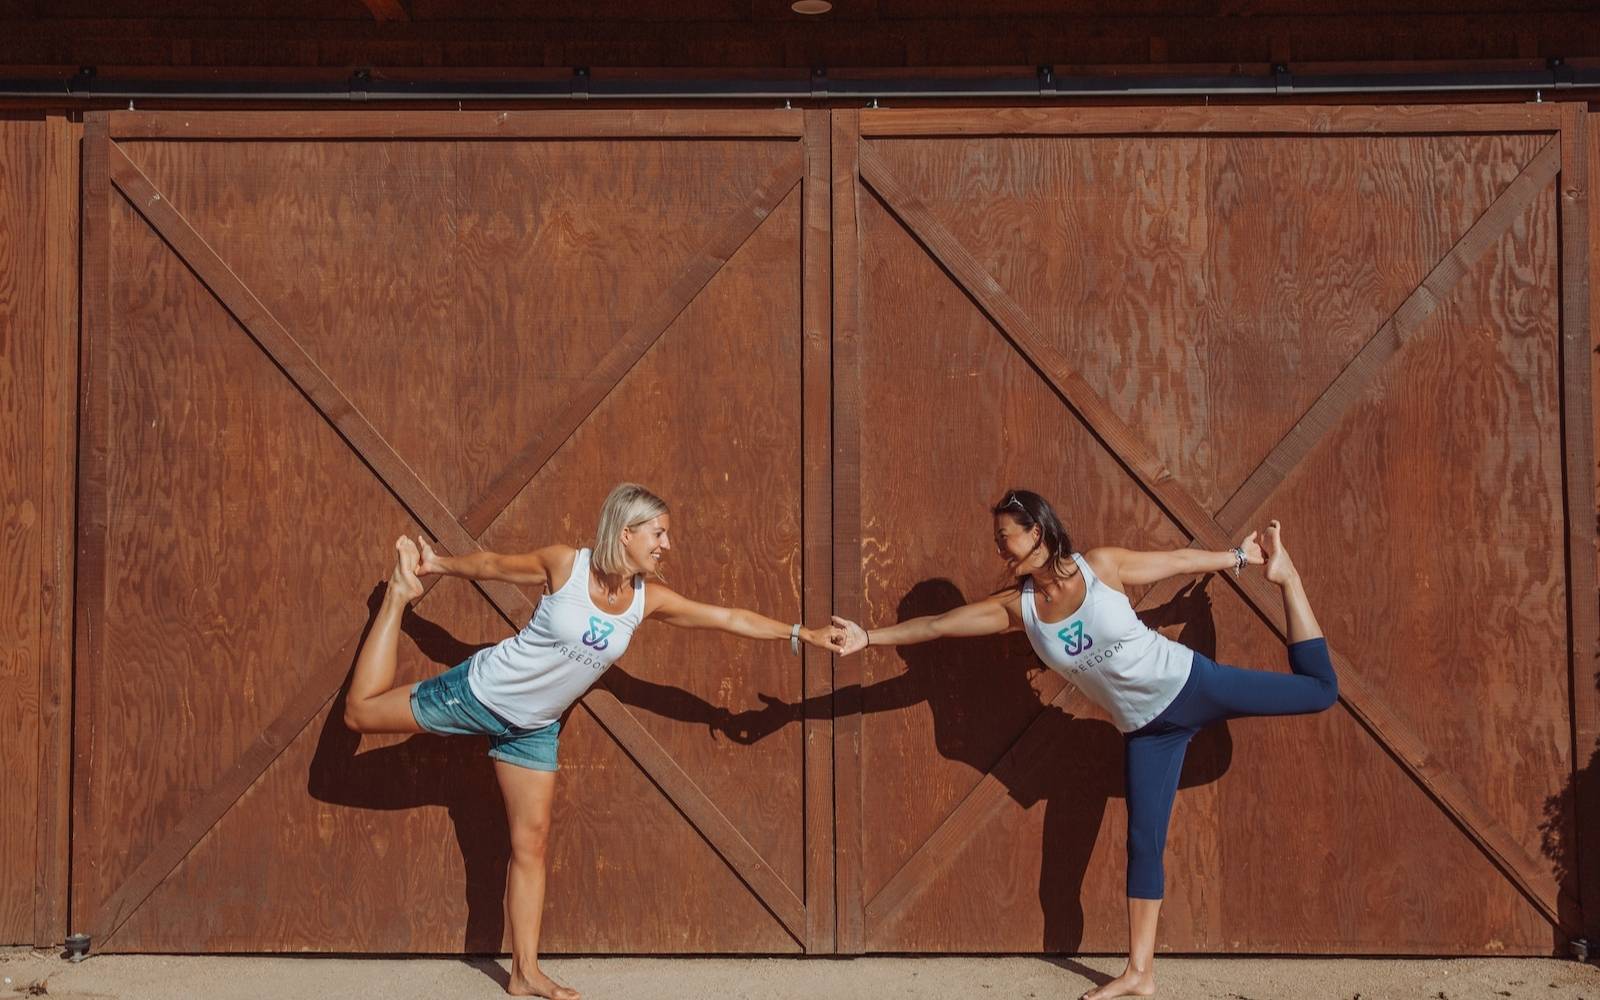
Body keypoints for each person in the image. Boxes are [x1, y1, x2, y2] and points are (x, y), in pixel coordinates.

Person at [342, 482, 844, 1000]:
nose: (666, 544)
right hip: (480, 693)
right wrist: (436, 566)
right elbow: (493, 565)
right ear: (625, 533)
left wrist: (801, 633)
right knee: (360, 714)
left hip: (534, 729)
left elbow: (726, 618)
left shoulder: (646, 600)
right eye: (658, 533)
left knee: (531, 844)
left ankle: (524, 973)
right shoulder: (567, 565)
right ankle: (396, 598)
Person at [831, 488, 1337, 1000]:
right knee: (1143, 844)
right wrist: (868, 637)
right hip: (1147, 733)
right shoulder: (1019, 610)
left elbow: (1178, 562)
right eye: (997, 540)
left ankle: (1289, 579)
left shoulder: (1100, 567)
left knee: (1319, 692)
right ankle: (1140, 973)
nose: (999, 548)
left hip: (1191, 685)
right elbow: (937, 626)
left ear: (1037, 532)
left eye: (1005, 536)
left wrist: (1239, 558)